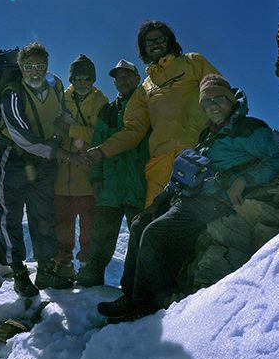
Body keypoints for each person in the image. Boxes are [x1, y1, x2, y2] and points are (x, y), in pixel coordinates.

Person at [97, 74, 279, 323]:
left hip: (213, 201)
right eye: (206, 103)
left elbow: (278, 160)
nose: (213, 106)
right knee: (139, 223)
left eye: (218, 99)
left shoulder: (250, 128)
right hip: (187, 196)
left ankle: (145, 305)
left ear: (231, 99)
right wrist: (158, 200)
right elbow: (187, 172)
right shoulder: (207, 135)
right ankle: (130, 295)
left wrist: (245, 180)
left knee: (156, 233)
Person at [84, 20, 220, 207]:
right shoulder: (144, 89)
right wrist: (102, 150)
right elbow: (133, 130)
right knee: (153, 224)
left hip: (198, 154)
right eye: (149, 41)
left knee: (201, 220)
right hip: (160, 166)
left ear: (169, 40)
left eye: (160, 39)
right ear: (143, 48)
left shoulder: (193, 62)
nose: (155, 44)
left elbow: (218, 92)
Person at [0, 42, 84, 297]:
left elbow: (62, 115)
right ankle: (19, 272)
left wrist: (76, 136)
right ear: (21, 68)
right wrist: (62, 153)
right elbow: (22, 135)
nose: (35, 71)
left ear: (47, 66)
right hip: (13, 157)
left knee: (43, 214)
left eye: (40, 66)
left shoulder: (55, 84)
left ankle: (45, 270)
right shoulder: (12, 93)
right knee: (10, 213)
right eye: (29, 66)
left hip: (44, 160)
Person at [76, 60, 149, 287]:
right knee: (101, 235)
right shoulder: (107, 111)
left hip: (139, 182)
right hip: (110, 184)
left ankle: (134, 285)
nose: (123, 80)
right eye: (119, 77)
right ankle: (91, 277)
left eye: (127, 76)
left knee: (140, 235)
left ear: (137, 78)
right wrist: (95, 178)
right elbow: (96, 144)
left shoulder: (148, 105)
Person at [50, 54, 108, 281]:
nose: (83, 83)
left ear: (93, 79)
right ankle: (63, 265)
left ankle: (86, 268)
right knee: (62, 225)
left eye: (87, 78)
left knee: (89, 227)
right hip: (62, 176)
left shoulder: (100, 101)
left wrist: (69, 129)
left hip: (87, 174)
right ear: (71, 78)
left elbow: (99, 134)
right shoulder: (62, 99)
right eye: (78, 78)